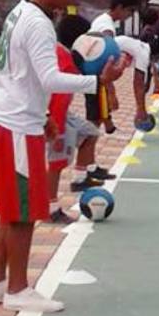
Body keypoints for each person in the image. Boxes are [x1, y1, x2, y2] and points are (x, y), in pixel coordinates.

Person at [0, 0, 125, 312]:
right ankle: (18, 289)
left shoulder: (20, 12)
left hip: (7, 119)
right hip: (15, 128)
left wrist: (42, 113)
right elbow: (49, 78)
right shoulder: (39, 23)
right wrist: (98, 81)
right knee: (24, 212)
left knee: (11, 207)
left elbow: (18, 75)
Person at [47, 15, 103, 224]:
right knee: (56, 160)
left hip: (61, 111)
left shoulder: (63, 54)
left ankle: (80, 178)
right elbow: (58, 97)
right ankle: (50, 208)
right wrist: (57, 130)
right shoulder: (65, 59)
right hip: (54, 112)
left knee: (90, 132)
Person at [88, 0, 140, 134]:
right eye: (129, 11)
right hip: (96, 77)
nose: (130, 15)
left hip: (94, 75)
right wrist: (112, 92)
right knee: (94, 121)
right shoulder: (107, 28)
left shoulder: (102, 20)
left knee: (99, 111)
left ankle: (109, 126)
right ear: (119, 7)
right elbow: (106, 62)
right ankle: (86, 153)